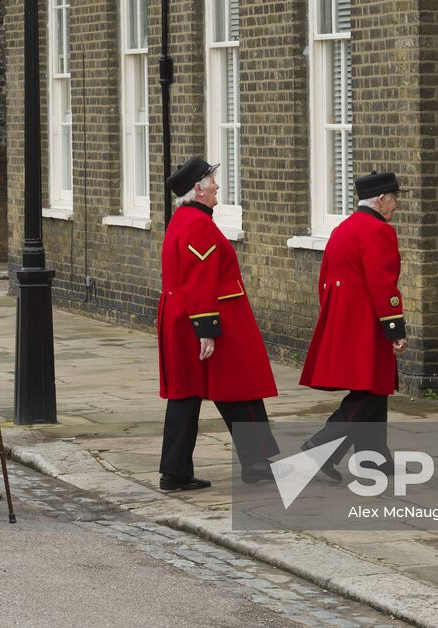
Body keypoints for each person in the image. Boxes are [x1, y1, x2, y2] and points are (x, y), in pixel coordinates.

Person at [156, 156, 280, 492]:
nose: (216, 187)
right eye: (211, 181)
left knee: (187, 395)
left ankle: (175, 471)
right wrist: (207, 330)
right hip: (205, 321)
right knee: (240, 387)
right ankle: (256, 463)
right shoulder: (197, 224)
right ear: (197, 189)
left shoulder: (185, 219)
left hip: (186, 320)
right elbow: (199, 280)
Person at [299, 171, 408, 480]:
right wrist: (395, 329)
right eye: (394, 198)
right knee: (370, 391)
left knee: (373, 388)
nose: (396, 205)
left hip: (344, 320)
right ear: (381, 199)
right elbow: (383, 285)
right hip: (367, 322)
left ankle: (373, 460)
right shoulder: (379, 231)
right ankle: (319, 448)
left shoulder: (343, 228)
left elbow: (324, 280)